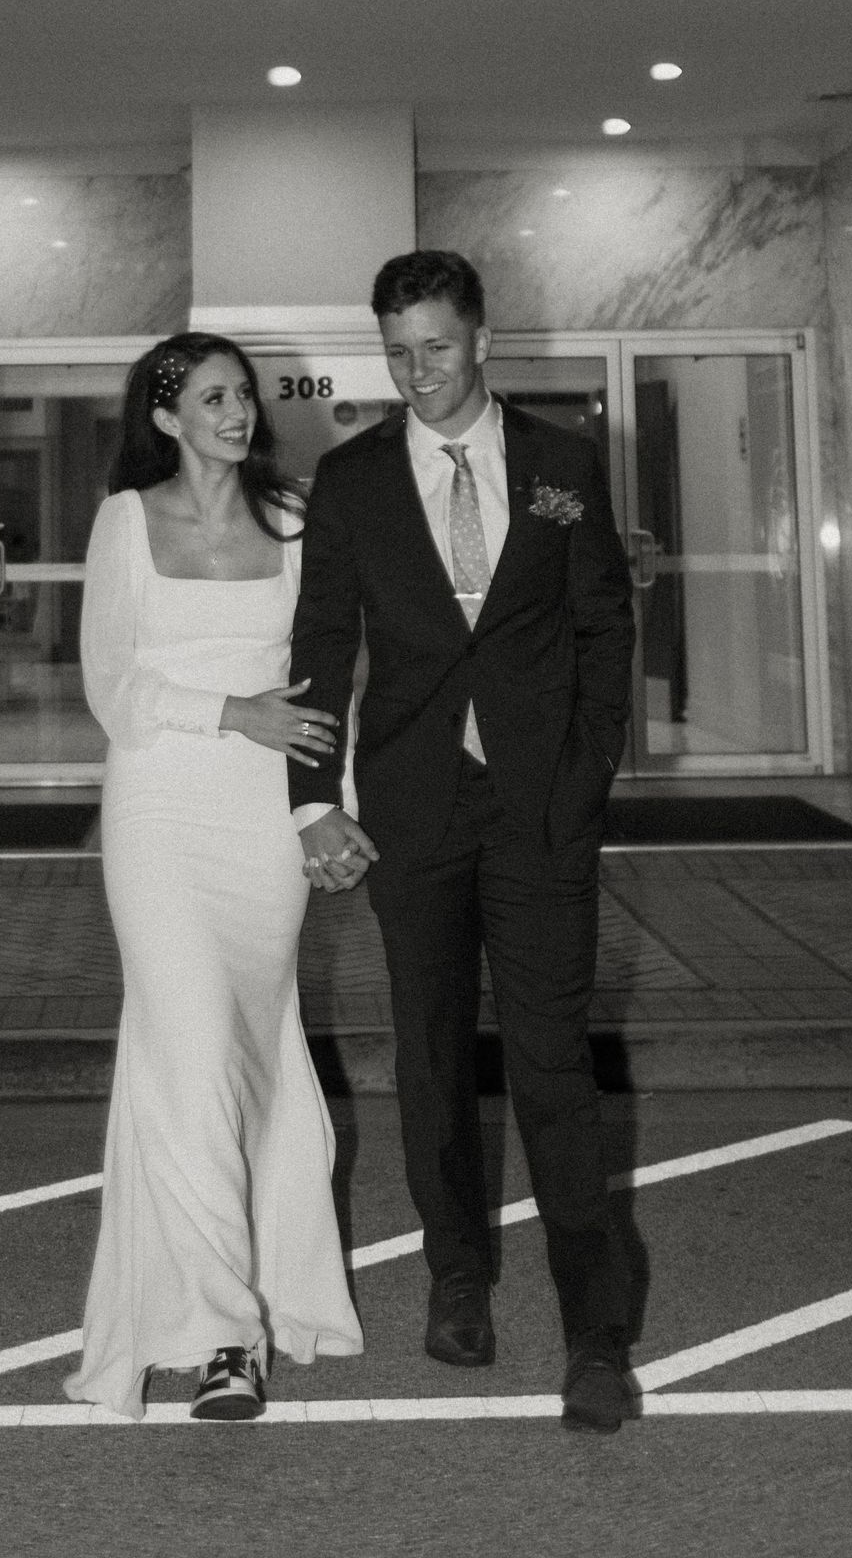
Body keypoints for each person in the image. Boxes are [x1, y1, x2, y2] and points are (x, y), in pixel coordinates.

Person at [287, 250, 638, 1434]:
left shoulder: (561, 468)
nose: (416, 372)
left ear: (482, 339)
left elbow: (603, 629)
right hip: (414, 807)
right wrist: (308, 798)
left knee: (552, 1066)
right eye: (396, 352)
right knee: (431, 1056)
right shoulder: (353, 481)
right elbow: (321, 647)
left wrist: (584, 785)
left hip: (540, 812)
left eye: (435, 347)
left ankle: (596, 1332)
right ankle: (457, 1280)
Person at [65, 332, 364, 1424]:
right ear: (163, 416)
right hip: (158, 803)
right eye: (213, 397)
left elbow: (333, 677)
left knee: (250, 1052)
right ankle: (224, 1337)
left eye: (244, 394)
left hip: (261, 821)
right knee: (188, 1051)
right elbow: (110, 682)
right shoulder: (126, 522)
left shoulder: (294, 520)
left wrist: (331, 807)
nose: (238, 411)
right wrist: (231, 712)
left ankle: (267, 1289)